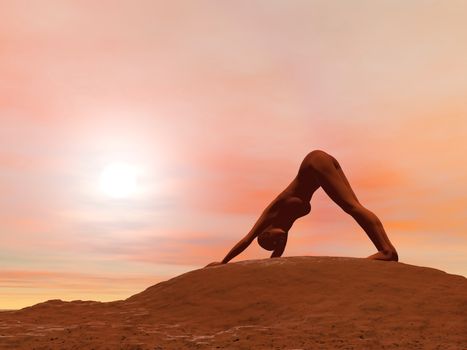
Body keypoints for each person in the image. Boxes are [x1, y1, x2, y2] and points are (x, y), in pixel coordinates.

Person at [205, 150, 398, 268]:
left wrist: (223, 263)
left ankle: (386, 250)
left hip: (313, 164)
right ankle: (386, 249)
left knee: (351, 206)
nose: (279, 241)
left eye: (273, 241)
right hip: (321, 164)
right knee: (354, 206)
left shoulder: (272, 212)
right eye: (277, 243)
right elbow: (275, 260)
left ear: (266, 232)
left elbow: (247, 239)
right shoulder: (284, 230)